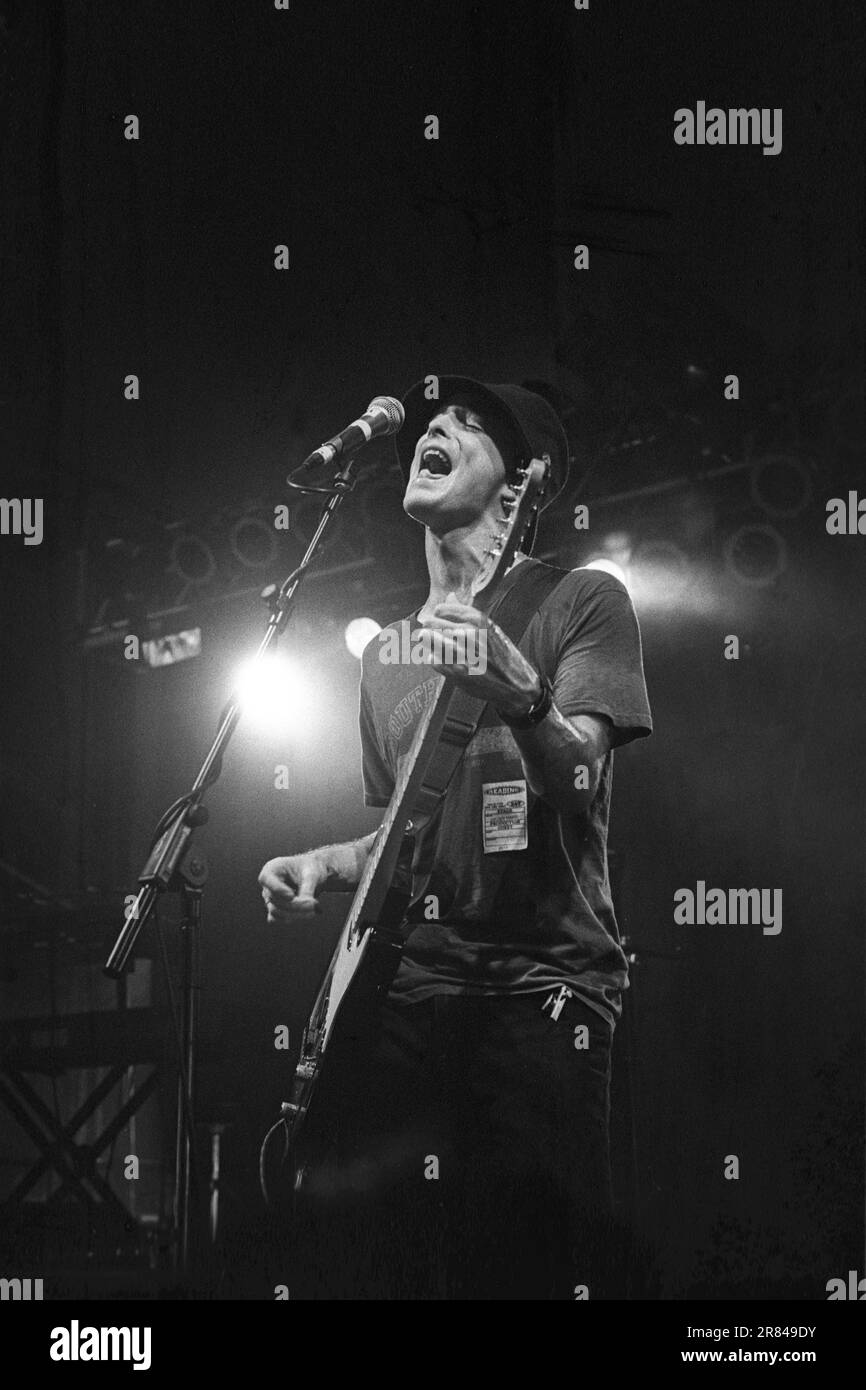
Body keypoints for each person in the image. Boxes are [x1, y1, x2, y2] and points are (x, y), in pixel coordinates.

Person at [259, 378, 652, 1299]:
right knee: (378, 1268)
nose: (437, 425)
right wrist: (326, 861)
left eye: (470, 427)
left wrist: (521, 692)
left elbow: (584, 779)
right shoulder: (384, 652)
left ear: (522, 487)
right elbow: (406, 829)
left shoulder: (582, 601)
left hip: (541, 992)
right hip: (409, 997)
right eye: (437, 421)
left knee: (527, 1270)